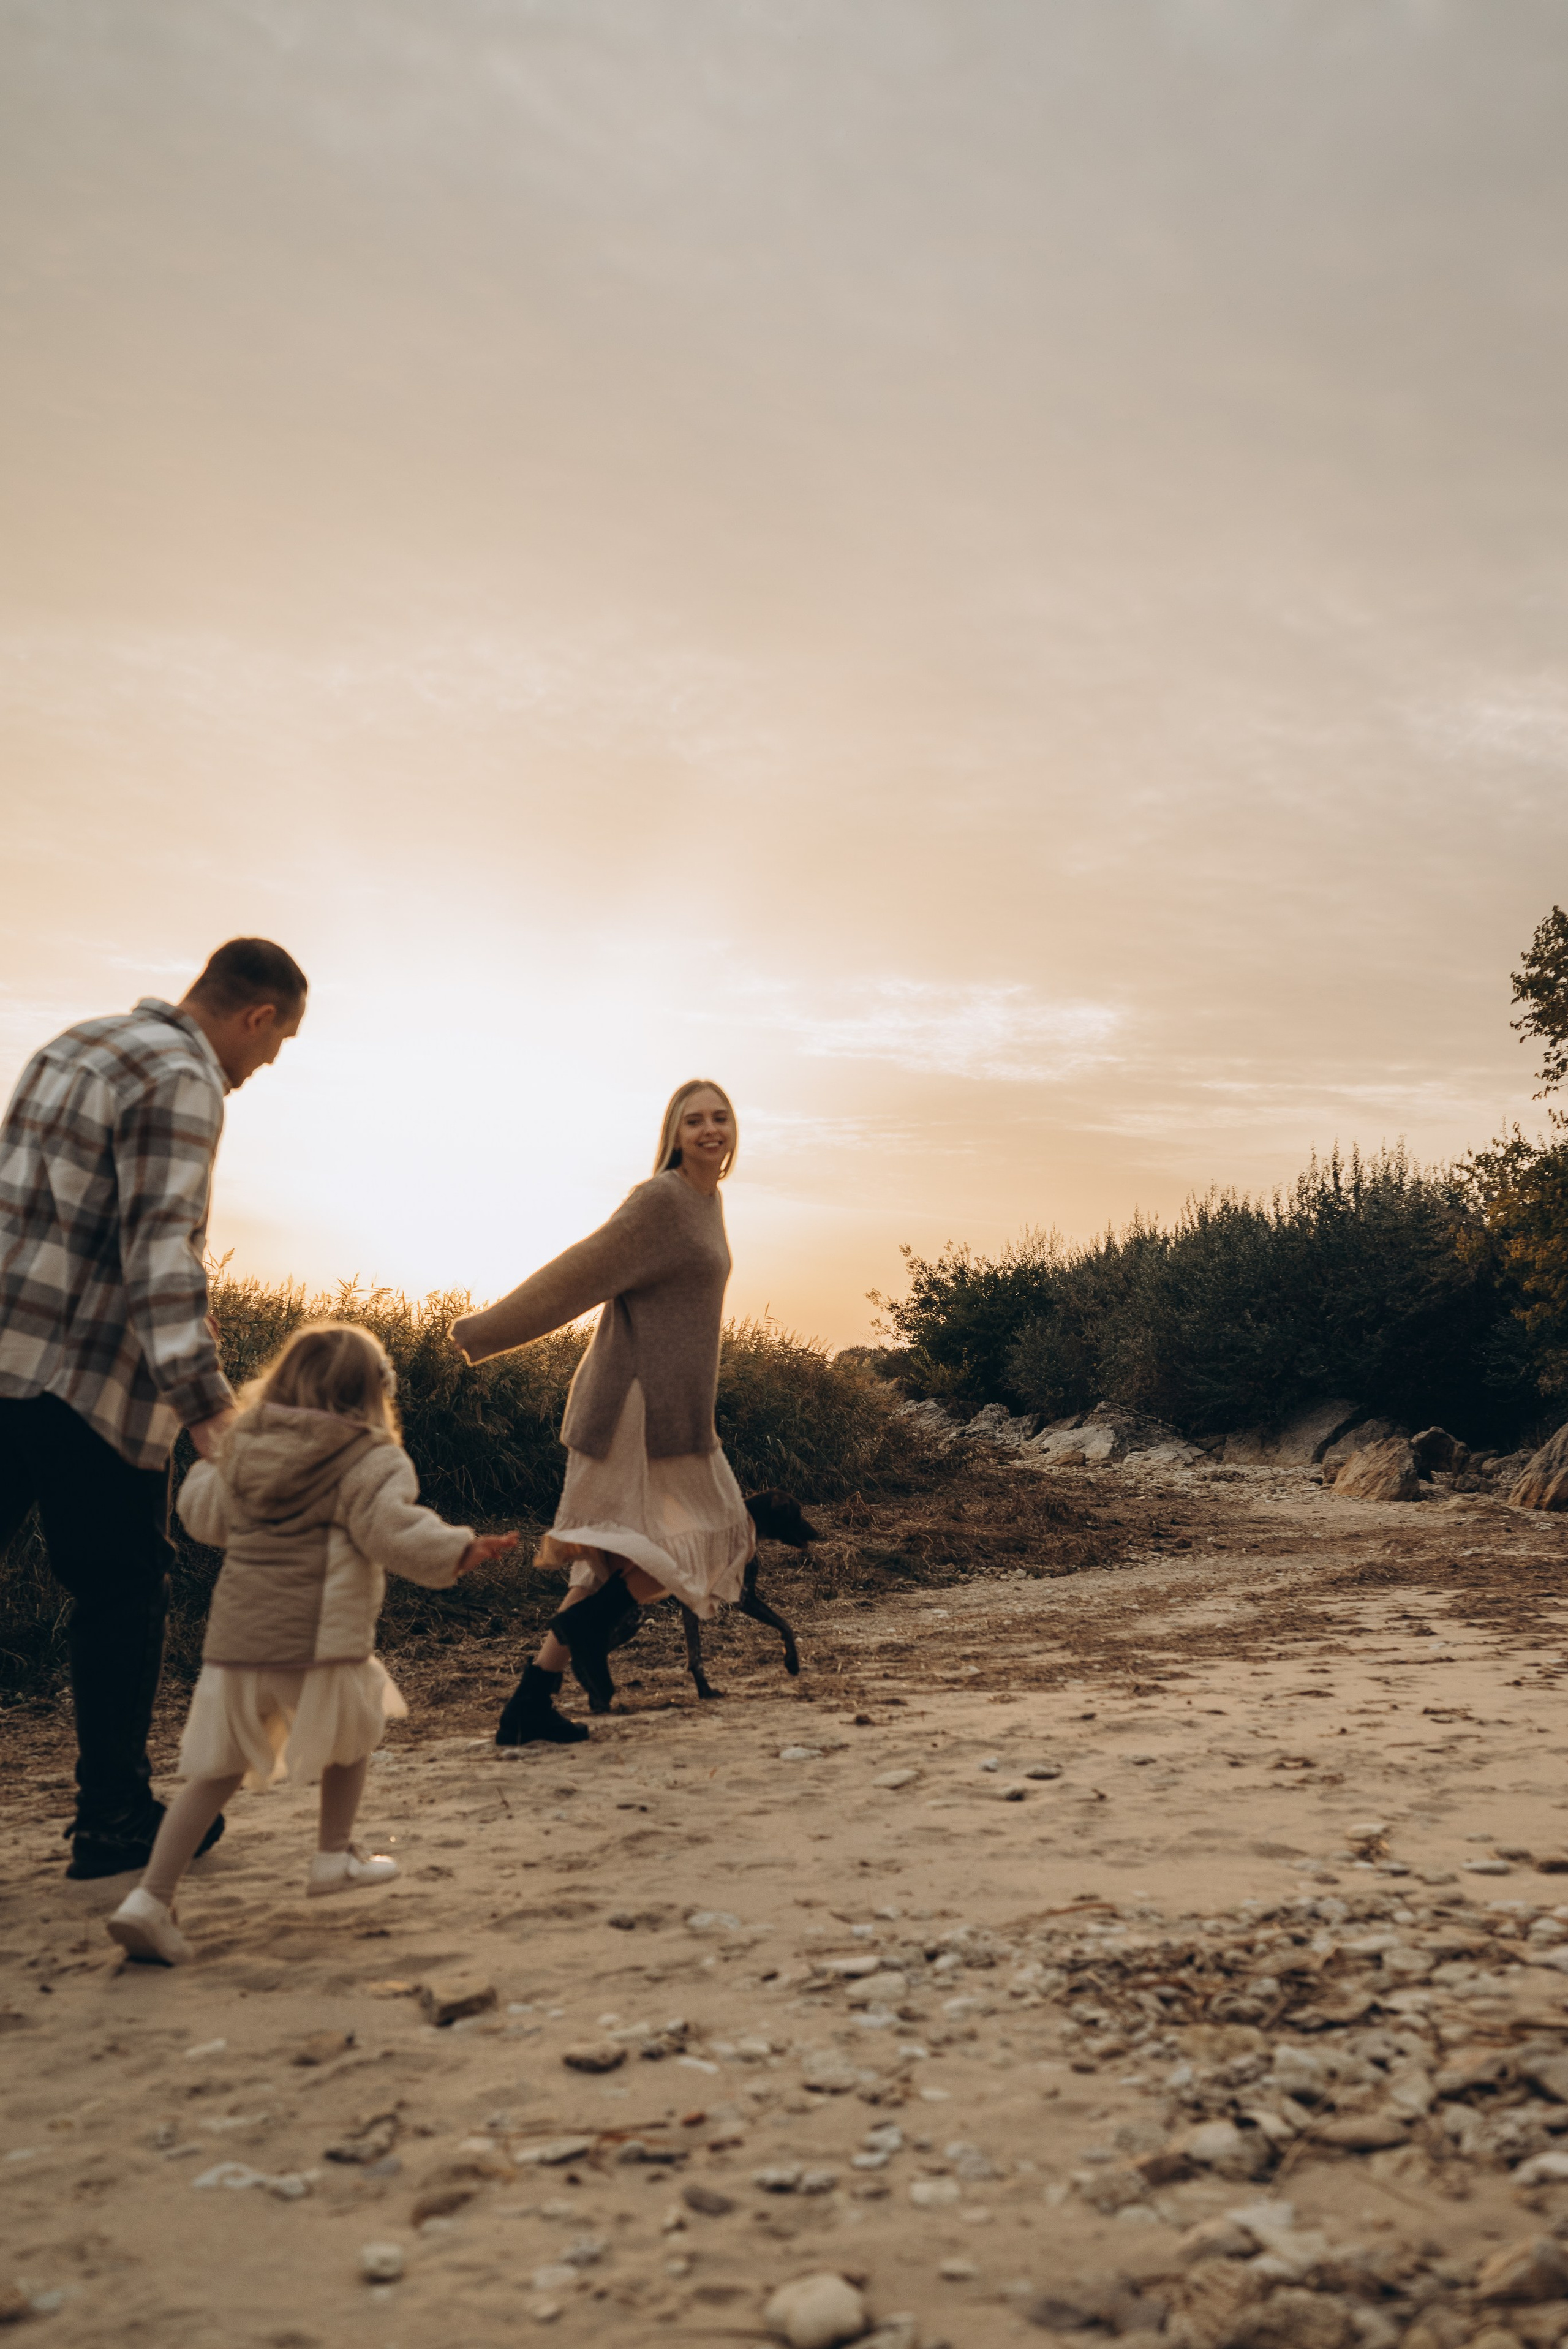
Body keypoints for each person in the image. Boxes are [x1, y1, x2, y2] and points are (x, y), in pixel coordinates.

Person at [0, 939, 307, 1880]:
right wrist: (208, 1409)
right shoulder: (186, 1078)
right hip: (92, 1378)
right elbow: (160, 1251)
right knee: (123, 1587)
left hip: (6, 1354)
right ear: (254, 1016)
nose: (270, 1064)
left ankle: (114, 1811)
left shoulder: (71, 1044)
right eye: (280, 1040)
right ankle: (113, 1817)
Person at [106, 1320, 516, 1966]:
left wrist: (213, 1458)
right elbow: (391, 1530)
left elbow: (202, 1516)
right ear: (370, 1392)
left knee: (215, 1773)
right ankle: (332, 1856)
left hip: (238, 1643)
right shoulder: (369, 1455)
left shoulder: (243, 1446)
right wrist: (459, 1548)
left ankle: (149, 1900)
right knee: (354, 1733)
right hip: (320, 1637)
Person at [451, 1080, 752, 1746]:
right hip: (632, 1406)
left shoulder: (709, 1201)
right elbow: (581, 1270)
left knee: (611, 1565)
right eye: (693, 1120)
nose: (709, 1129)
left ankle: (528, 1705)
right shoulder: (662, 1201)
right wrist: (488, 1329)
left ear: (734, 1129)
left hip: (675, 1409)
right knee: (716, 1530)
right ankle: (587, 1637)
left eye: (719, 1118)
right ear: (673, 1134)